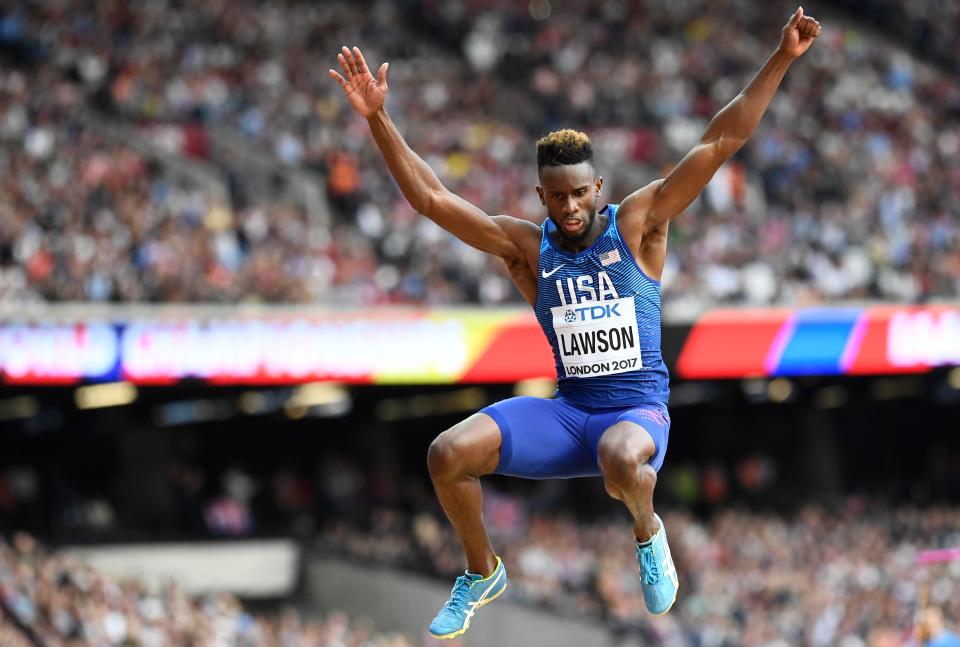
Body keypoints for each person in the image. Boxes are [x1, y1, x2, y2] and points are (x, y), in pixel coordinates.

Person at [329, 6, 821, 639]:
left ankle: (648, 535)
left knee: (620, 457)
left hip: (636, 416)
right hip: (567, 415)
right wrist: (377, 118)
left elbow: (719, 142)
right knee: (446, 453)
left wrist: (781, 56)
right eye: (555, 196)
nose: (569, 207)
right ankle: (481, 572)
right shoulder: (528, 248)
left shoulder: (640, 223)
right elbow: (431, 198)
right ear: (540, 196)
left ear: (598, 187)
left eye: (579, 193)